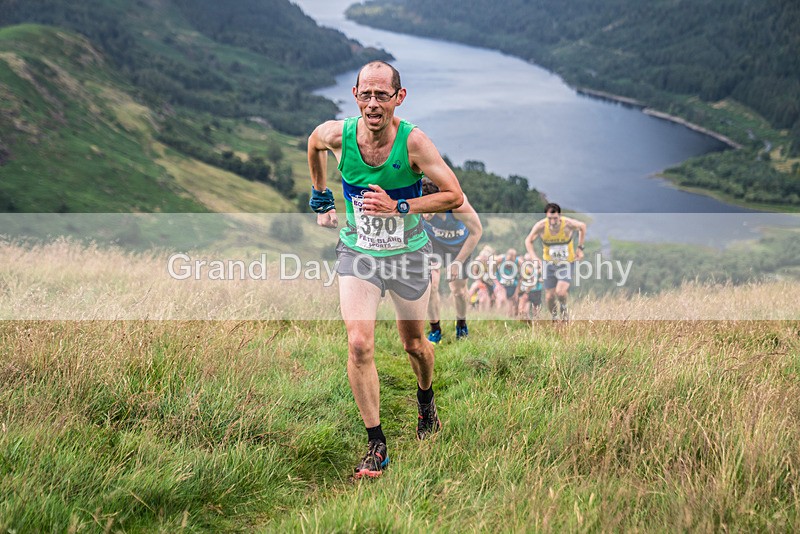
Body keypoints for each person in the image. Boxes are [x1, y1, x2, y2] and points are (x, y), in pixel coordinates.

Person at [307, 61, 464, 479]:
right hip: (359, 252)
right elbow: (312, 142)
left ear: (399, 96)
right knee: (359, 343)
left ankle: (425, 398)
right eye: (366, 94)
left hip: (409, 253)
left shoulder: (414, 143)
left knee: (414, 345)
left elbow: (452, 194)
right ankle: (377, 445)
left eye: (382, 94)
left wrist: (400, 206)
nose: (373, 103)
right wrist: (320, 193)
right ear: (355, 95)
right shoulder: (338, 135)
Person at [421, 177, 482, 343]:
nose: (425, 214)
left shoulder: (458, 206)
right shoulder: (418, 205)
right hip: (434, 243)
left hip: (459, 246)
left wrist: (457, 262)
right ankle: (435, 330)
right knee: (430, 285)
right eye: (422, 207)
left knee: (458, 291)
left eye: (429, 207)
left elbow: (477, 232)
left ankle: (461, 325)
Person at [524, 203, 586, 322]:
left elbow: (582, 226)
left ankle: (564, 311)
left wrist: (580, 248)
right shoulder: (541, 226)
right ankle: (554, 317)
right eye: (549, 218)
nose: (552, 221)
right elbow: (528, 240)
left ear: (560, 215)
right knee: (549, 297)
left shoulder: (567, 224)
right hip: (549, 264)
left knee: (561, 292)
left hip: (566, 263)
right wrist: (534, 257)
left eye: (555, 218)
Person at [496, 248, 521, 317]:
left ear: (515, 258)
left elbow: (522, 277)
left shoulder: (519, 262)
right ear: (506, 256)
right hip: (501, 284)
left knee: (511, 309)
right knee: (502, 300)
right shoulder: (500, 259)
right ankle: (496, 318)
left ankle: (507, 321)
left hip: (512, 286)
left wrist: (516, 292)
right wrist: (497, 284)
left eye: (511, 261)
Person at [517, 253, 543, 321]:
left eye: (529, 259)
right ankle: (526, 324)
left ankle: (536, 324)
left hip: (536, 290)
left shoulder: (537, 267)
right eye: (526, 260)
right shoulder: (523, 268)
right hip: (525, 291)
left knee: (536, 311)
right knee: (524, 310)